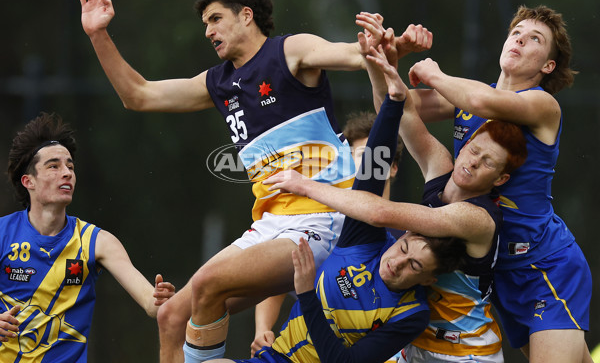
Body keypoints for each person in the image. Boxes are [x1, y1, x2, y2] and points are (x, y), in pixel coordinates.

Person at [77, 0, 432, 363]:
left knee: (209, 283)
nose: (208, 31)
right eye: (205, 24)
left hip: (322, 219)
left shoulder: (290, 51)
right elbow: (138, 96)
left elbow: (353, 53)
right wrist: (98, 35)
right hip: (269, 224)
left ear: (246, 15)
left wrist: (390, 45)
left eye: (214, 19)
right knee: (171, 314)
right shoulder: (218, 82)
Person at [267, 31, 529, 363]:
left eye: (487, 161)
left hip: (465, 354)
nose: (474, 161)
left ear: (500, 178)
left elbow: (378, 213)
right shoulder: (441, 169)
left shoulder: (476, 218)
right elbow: (397, 113)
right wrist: (386, 67)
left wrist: (305, 185)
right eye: (474, 150)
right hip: (415, 349)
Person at [207, 68, 466, 363]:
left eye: (414, 266)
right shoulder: (365, 239)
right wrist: (393, 102)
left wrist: (306, 293)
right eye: (404, 249)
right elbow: (371, 173)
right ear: (405, 236)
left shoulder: (411, 313)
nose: (397, 263)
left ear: (430, 279)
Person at [407, 5, 592, 363]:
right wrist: (388, 55)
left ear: (547, 66)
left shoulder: (542, 104)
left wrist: (433, 71)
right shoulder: (466, 95)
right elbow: (397, 106)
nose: (520, 39)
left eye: (535, 39)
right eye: (516, 32)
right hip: (496, 271)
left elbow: (479, 100)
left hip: (545, 266)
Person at [0, 112, 175, 362]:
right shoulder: (3, 234)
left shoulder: (98, 242)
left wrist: (161, 300)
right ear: (29, 181)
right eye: (54, 166)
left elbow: (150, 302)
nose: (67, 173)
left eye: (70, 166)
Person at [250, 111, 404, 357]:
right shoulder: (325, 223)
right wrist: (262, 329)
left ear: (393, 167)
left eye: (374, 158)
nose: (366, 166)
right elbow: (278, 277)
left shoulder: (406, 242)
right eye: (360, 156)